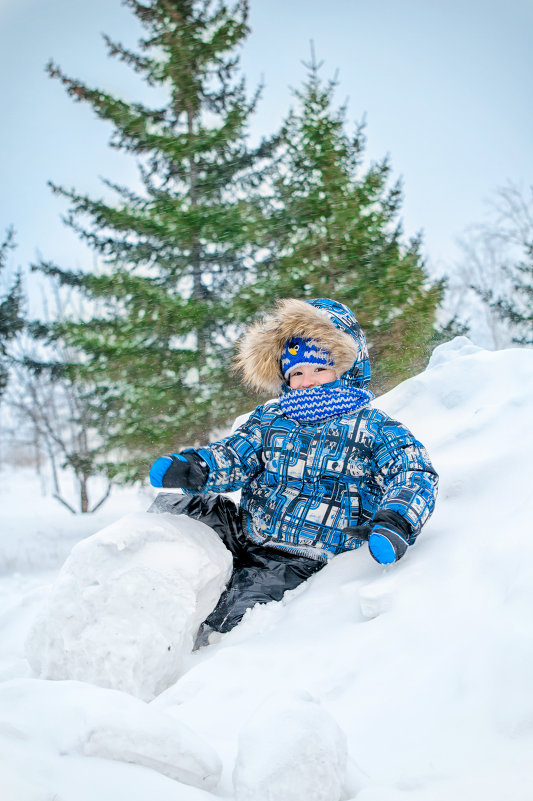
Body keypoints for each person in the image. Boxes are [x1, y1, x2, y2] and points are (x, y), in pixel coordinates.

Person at [149, 298, 438, 641]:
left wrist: (397, 519)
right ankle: (150, 575)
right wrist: (198, 467)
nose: (307, 381)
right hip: (248, 529)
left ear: (345, 367)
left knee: (234, 611)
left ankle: (200, 651)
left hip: (299, 554)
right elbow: (236, 455)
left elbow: (413, 471)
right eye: (297, 372)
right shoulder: (272, 419)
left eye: (319, 369)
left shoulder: (372, 426)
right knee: (179, 512)